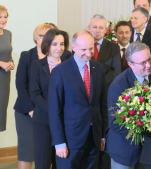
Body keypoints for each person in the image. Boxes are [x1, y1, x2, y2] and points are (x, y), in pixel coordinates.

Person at [48, 30, 108, 169]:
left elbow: (102, 104)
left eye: (91, 48)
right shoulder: (60, 71)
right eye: (84, 49)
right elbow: (54, 109)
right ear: (73, 48)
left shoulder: (98, 69)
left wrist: (103, 136)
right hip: (70, 139)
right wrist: (59, 142)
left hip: (94, 137)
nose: (88, 53)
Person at [106, 42, 151, 169]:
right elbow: (115, 122)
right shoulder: (118, 85)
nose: (148, 65)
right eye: (142, 63)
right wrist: (145, 130)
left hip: (150, 151)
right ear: (130, 64)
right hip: (124, 150)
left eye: (149, 59)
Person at [14, 22, 58, 169]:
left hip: (50, 112)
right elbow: (21, 85)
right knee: (27, 150)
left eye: (49, 36)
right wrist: (32, 110)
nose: (45, 38)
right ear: (35, 38)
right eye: (41, 35)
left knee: (48, 151)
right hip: (27, 111)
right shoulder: (27, 56)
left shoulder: (60, 58)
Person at [30, 28, 71, 169]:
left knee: (61, 161)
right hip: (43, 121)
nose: (59, 48)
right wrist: (53, 112)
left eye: (62, 44)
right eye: (54, 44)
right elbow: (35, 93)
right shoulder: (36, 65)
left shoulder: (69, 65)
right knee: (43, 161)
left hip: (65, 120)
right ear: (47, 45)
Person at [88, 14, 121, 87]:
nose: (97, 30)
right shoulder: (80, 46)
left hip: (105, 89)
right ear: (89, 27)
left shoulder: (114, 48)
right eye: (94, 27)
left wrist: (99, 83)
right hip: (85, 87)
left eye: (101, 28)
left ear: (106, 30)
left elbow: (116, 71)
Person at [0, 5, 14, 132]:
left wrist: (11, 63)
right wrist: (1, 63)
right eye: (0, 17)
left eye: (5, 16)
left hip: (4, 80)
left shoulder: (8, 33)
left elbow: (9, 56)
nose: (3, 19)